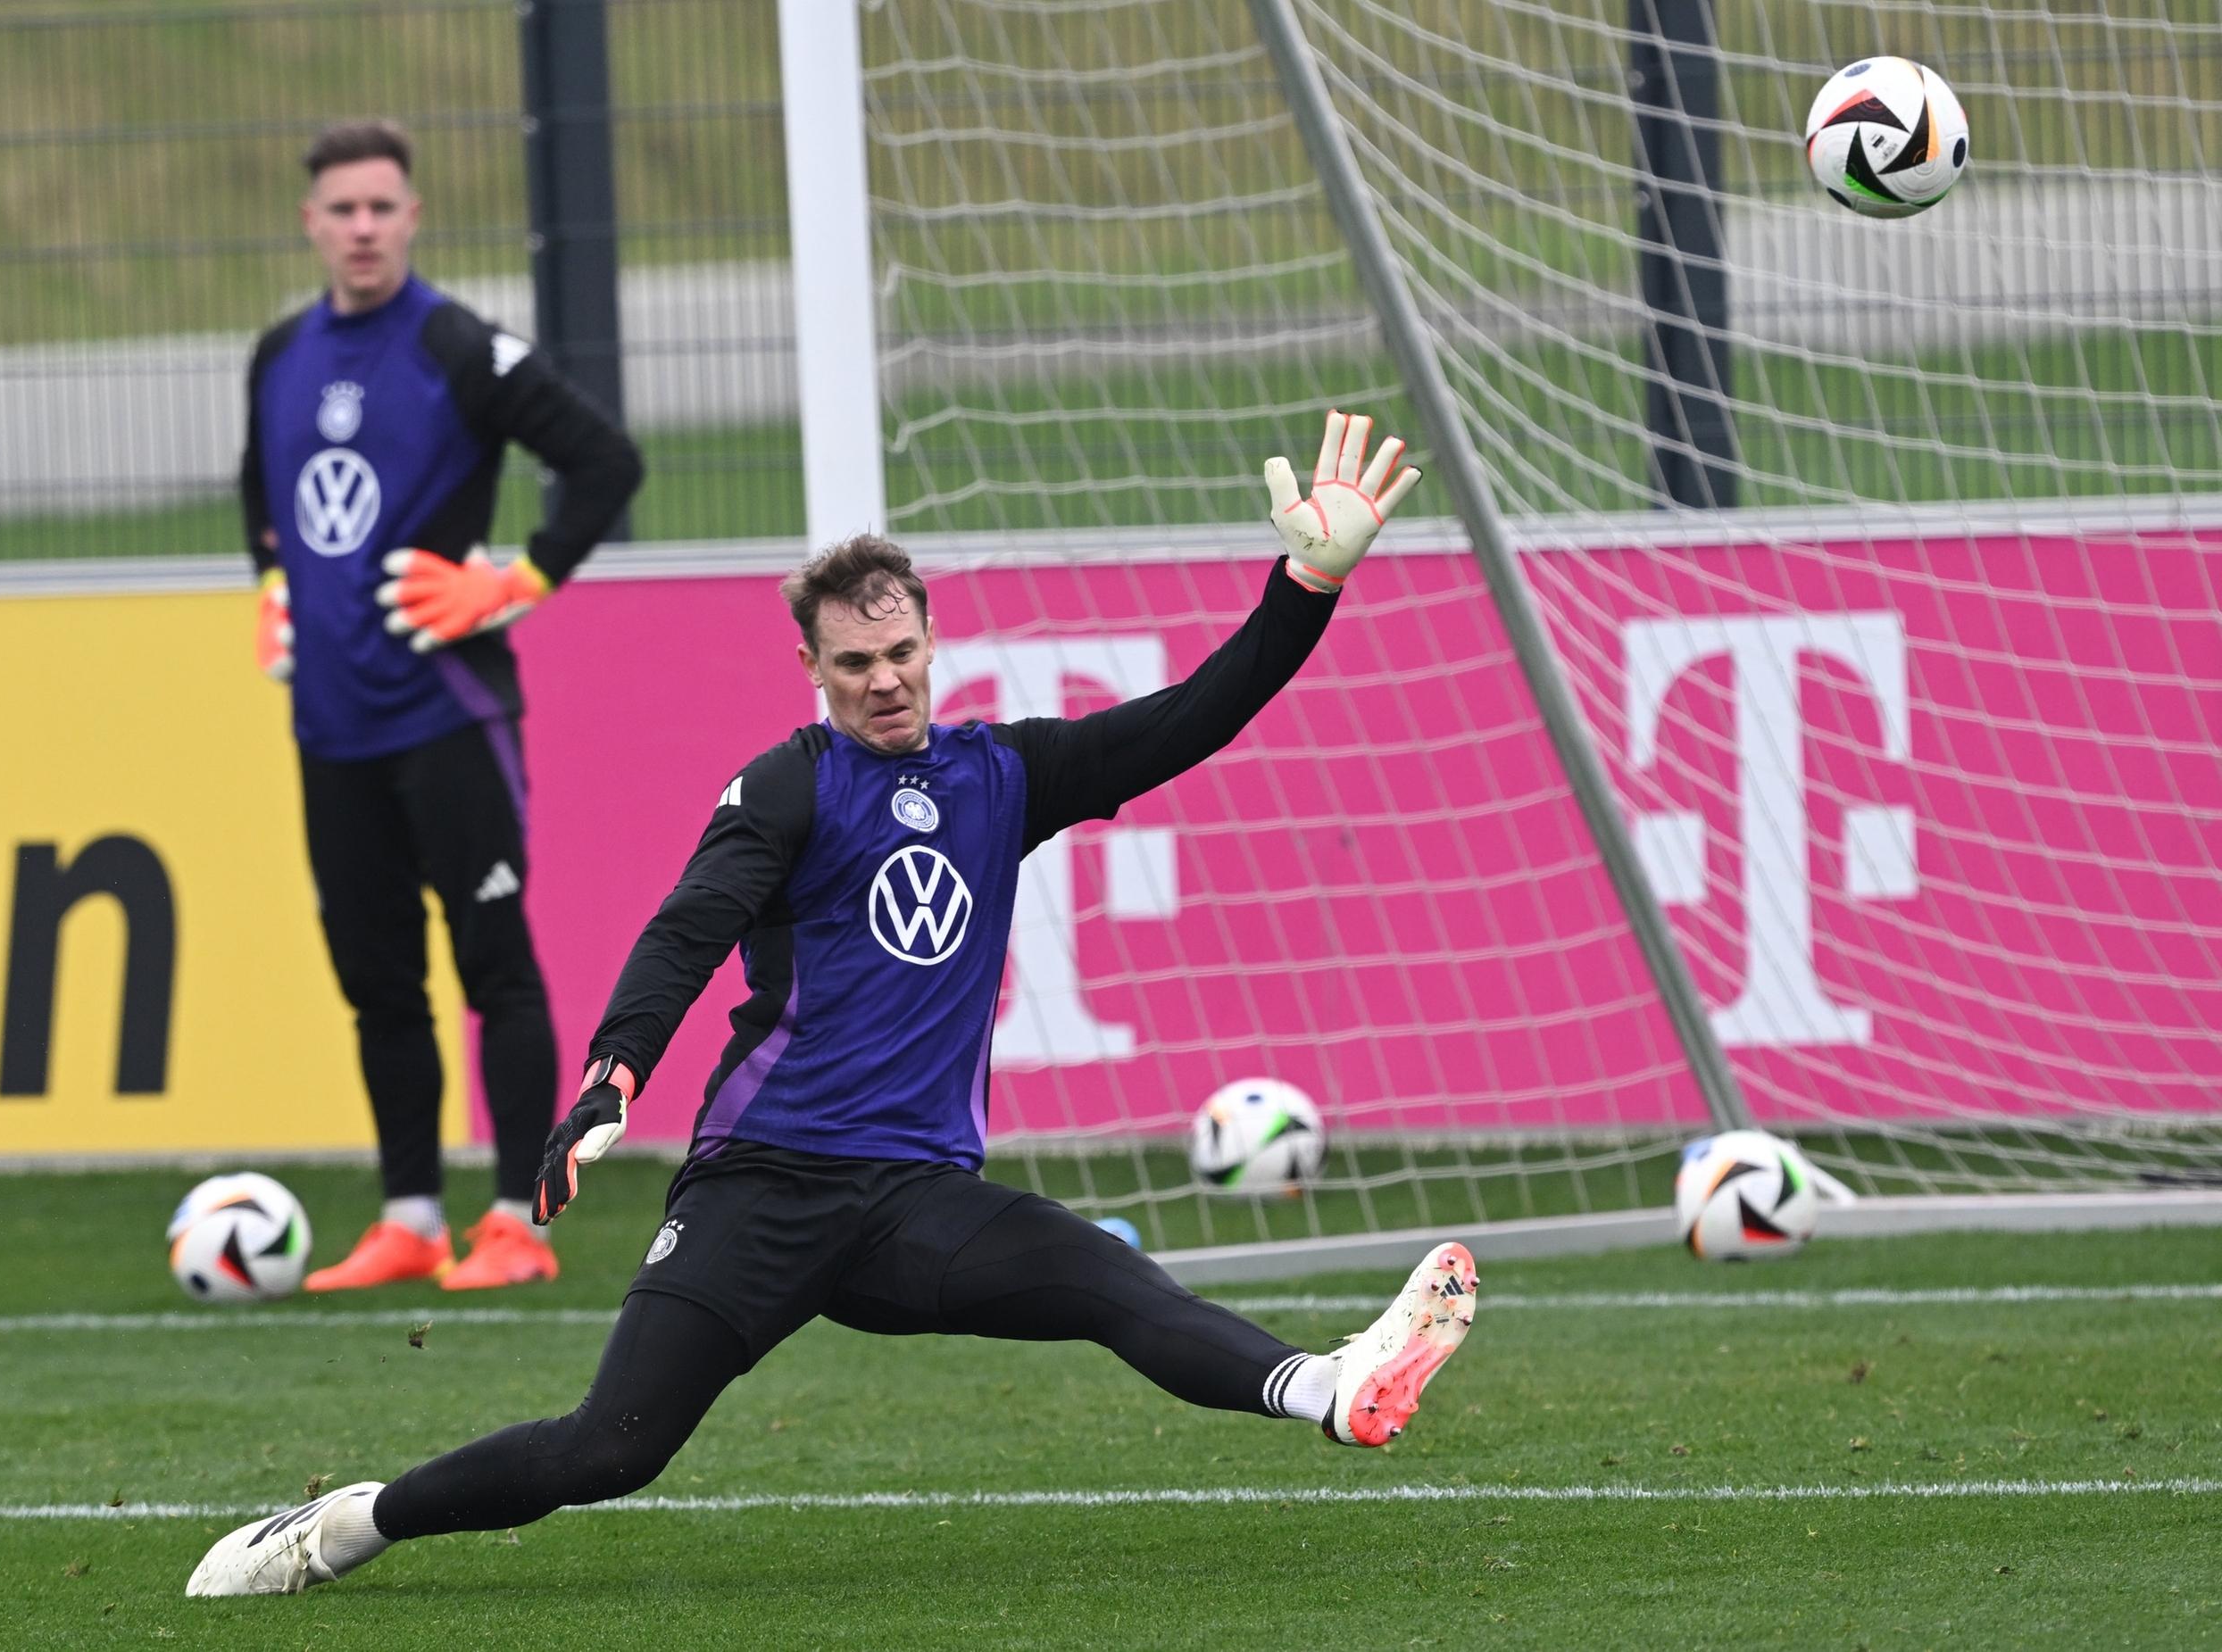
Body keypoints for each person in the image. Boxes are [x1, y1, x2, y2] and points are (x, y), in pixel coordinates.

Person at [187, 411, 1476, 1597]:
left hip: (914, 1201)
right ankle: (346, 1527)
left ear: (932, 642)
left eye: (903, 651)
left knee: (1101, 1279)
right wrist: (613, 1075)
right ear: (811, 664)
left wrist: (1307, 586)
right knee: (608, 1450)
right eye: (855, 661)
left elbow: (1200, 713)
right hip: (764, 1184)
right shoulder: (788, 788)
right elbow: (687, 928)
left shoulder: (1004, 775)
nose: (885, 680)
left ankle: (1329, 1384)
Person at [241, 119, 644, 1292]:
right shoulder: (278, 354)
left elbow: (606, 460)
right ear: (311, 222)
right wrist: (272, 586)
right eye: (342, 209)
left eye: (382, 207)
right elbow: (256, 494)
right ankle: (411, 1216)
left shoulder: (455, 343)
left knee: (496, 971)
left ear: (411, 218)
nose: (362, 227)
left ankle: (516, 1219)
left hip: (450, 717)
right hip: (331, 729)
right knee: (377, 982)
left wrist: (513, 580)